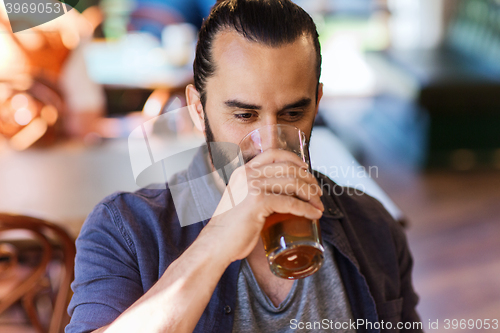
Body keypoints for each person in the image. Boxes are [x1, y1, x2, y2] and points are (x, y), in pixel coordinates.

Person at [66, 1, 423, 332]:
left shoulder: (375, 226)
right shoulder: (124, 229)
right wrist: (216, 242)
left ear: (317, 103)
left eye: (293, 113)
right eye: (244, 114)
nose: (268, 141)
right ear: (197, 109)